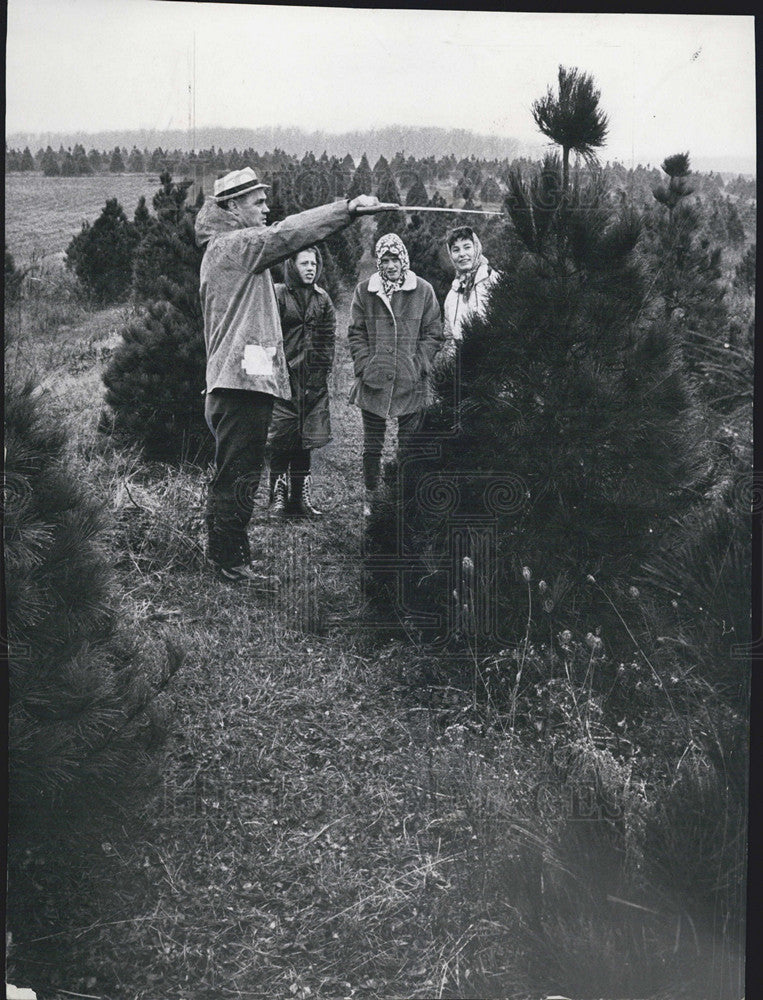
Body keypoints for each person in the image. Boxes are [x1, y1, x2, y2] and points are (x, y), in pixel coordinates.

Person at [195, 167, 382, 584]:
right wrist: (347, 209)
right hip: (239, 385)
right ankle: (230, 562)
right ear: (231, 208)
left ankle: (225, 553)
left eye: (265, 200)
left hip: (237, 382)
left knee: (235, 470)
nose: (265, 208)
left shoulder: (229, 249)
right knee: (239, 473)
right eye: (256, 202)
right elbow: (288, 234)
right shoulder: (234, 245)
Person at [347, 233, 443, 516]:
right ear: (378, 262)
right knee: (372, 445)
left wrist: (418, 364)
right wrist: (365, 364)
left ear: (404, 259)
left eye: (395, 259)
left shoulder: (423, 291)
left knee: (409, 444)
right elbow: (356, 333)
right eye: (385, 260)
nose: (390, 265)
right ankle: (372, 497)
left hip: (411, 381)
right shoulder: (365, 291)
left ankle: (403, 497)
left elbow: (434, 333)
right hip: (375, 379)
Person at [268, 247, 335, 518]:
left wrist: (321, 372)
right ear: (292, 265)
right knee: (282, 436)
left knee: (306, 438)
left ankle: (301, 498)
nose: (309, 268)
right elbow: (268, 335)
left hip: (313, 381)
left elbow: (329, 338)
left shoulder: (323, 299)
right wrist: (275, 373)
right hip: (283, 379)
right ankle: (277, 498)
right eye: (303, 263)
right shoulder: (279, 294)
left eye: (313, 263)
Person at [441, 226, 501, 362]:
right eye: (456, 250)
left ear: (476, 249)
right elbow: (450, 338)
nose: (462, 254)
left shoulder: (495, 280)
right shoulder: (452, 294)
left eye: (467, 247)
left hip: (495, 362)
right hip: (464, 366)